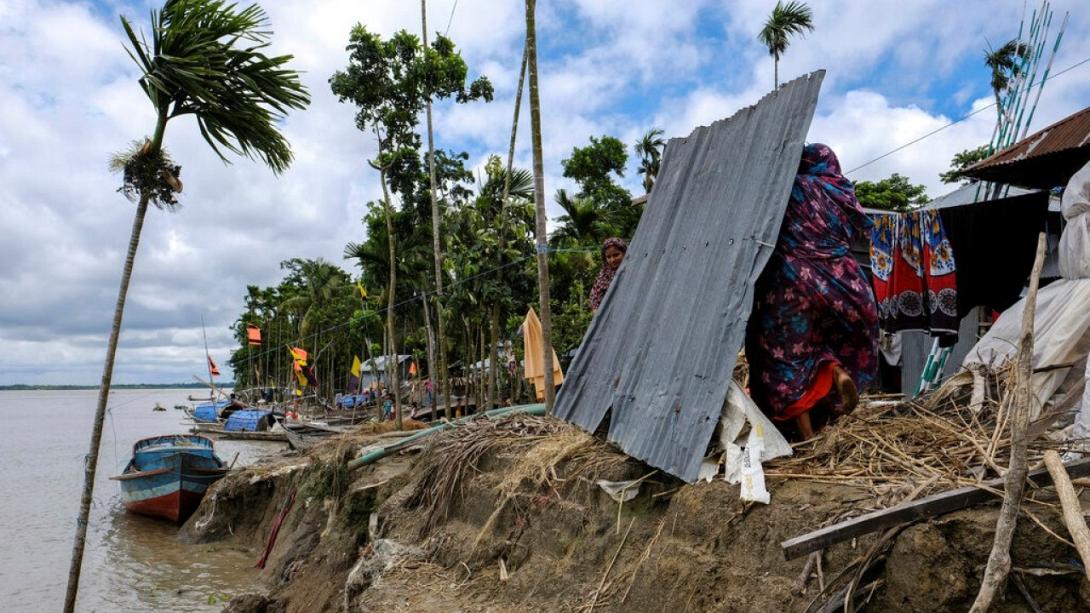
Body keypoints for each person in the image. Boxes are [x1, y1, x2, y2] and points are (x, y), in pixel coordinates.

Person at [745, 143, 879, 440]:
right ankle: (837, 373)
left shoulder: (794, 188)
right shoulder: (843, 190)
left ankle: (807, 437)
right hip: (845, 283)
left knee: (785, 358)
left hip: (794, 283)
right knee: (825, 345)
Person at [589, 237, 627, 312]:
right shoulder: (603, 277)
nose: (612, 260)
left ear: (625, 253)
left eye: (616, 255)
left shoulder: (633, 271)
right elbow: (595, 303)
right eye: (608, 257)